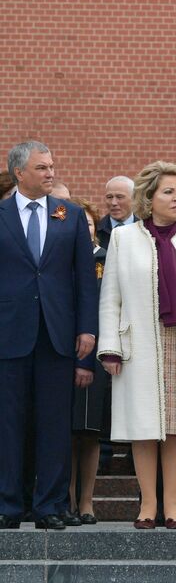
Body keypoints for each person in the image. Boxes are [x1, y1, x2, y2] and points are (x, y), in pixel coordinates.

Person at [98, 162, 176, 529]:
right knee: (143, 426)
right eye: (169, 191)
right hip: (139, 344)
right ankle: (147, 505)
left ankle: (173, 504)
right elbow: (111, 298)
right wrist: (110, 347)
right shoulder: (125, 239)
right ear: (148, 197)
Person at [0, 141, 98, 530]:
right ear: (20, 173)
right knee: (8, 422)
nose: (50, 173)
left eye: (52, 166)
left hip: (58, 335)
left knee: (55, 423)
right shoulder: (2, 213)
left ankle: (51, 504)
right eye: (41, 168)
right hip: (9, 334)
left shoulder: (69, 216)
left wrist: (87, 329)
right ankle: (8, 503)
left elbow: (84, 281)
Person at [70, 199, 109, 525]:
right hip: (61, 350)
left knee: (90, 431)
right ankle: (66, 498)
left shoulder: (105, 258)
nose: (84, 229)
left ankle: (86, 501)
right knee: (65, 431)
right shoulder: (60, 257)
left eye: (89, 224)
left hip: (95, 353)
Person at [96, 176, 137, 249]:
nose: (113, 203)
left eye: (119, 197)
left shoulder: (146, 230)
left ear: (133, 198)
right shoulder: (96, 232)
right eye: (109, 197)